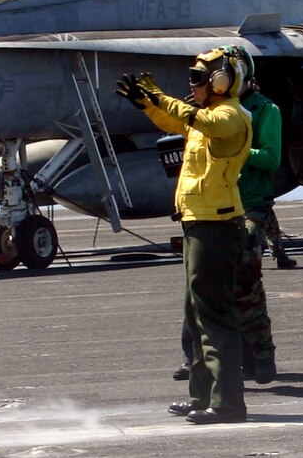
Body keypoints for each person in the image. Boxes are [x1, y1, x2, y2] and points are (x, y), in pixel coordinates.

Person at [116, 46, 252, 425]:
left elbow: (194, 119)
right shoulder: (208, 116)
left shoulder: (229, 116)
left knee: (214, 315)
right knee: (196, 315)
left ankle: (228, 403)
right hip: (199, 223)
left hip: (216, 226)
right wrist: (146, 104)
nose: (191, 86)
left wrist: (159, 95)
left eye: (197, 79)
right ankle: (202, 395)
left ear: (220, 82)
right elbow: (174, 123)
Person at [172, 45, 285, 386]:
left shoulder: (265, 111)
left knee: (245, 276)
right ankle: (196, 359)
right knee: (199, 284)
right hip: (211, 208)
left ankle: (262, 355)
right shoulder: (204, 111)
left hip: (251, 204)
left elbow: (270, 159)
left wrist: (236, 143)